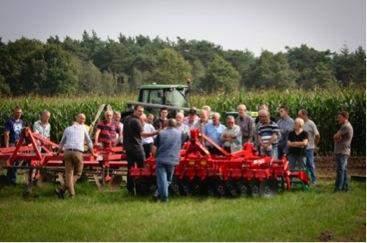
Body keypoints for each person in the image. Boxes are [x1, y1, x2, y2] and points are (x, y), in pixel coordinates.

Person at [56, 113, 96, 198]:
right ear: (76, 118)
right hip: (77, 153)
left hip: (67, 152)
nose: (83, 120)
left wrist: (58, 152)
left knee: (68, 173)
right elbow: (89, 142)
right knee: (78, 173)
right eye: (81, 118)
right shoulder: (84, 129)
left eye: (84, 119)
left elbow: (62, 142)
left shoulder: (67, 129)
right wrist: (93, 153)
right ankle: (66, 190)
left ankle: (67, 192)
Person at [123, 105, 159, 193]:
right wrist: (155, 132)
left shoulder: (127, 119)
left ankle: (130, 189)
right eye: (139, 111)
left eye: (142, 111)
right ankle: (141, 190)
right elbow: (143, 134)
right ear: (134, 111)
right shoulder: (136, 121)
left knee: (130, 169)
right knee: (142, 168)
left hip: (128, 147)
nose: (141, 113)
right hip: (136, 147)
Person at [154, 119, 182, 202]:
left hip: (161, 159)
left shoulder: (161, 133)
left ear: (166, 124)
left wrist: (155, 156)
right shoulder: (180, 134)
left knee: (162, 180)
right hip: (173, 160)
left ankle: (164, 198)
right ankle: (159, 195)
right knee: (168, 180)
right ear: (175, 125)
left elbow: (154, 148)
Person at [298, 109, 320, 184]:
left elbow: (317, 135)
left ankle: (314, 180)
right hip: (301, 148)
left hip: (309, 148)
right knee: (303, 165)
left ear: (304, 115)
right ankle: (306, 180)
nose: (299, 117)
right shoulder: (300, 123)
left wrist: (315, 145)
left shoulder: (311, 123)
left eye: (300, 115)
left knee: (310, 164)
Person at [4, 106, 25, 185]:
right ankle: (12, 180)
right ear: (14, 113)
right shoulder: (9, 122)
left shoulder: (22, 122)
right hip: (12, 144)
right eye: (17, 112)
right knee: (12, 161)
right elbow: (6, 134)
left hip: (19, 145)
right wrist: (7, 147)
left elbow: (22, 134)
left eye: (20, 112)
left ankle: (9, 178)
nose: (18, 114)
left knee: (17, 162)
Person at [333, 111, 353, 192]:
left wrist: (337, 136)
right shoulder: (344, 126)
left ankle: (339, 188)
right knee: (343, 170)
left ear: (345, 117)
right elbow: (337, 137)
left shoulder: (346, 126)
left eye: (340, 117)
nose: (338, 119)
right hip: (342, 151)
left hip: (342, 151)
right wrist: (337, 137)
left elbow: (336, 136)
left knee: (340, 170)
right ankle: (345, 187)